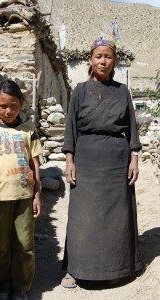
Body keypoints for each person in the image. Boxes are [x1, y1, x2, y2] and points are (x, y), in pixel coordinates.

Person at [61, 39, 144, 288]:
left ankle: (118, 267)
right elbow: (70, 129)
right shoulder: (79, 90)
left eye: (108, 56)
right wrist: (69, 160)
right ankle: (75, 269)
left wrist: (134, 159)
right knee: (82, 215)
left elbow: (132, 129)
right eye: (98, 56)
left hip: (117, 160)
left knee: (117, 216)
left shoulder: (122, 91)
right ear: (90, 59)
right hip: (86, 159)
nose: (102, 61)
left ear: (114, 61)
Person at [0, 79, 43, 300]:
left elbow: (35, 164)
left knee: (24, 245)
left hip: (24, 196)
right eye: (3, 105)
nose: (9, 110)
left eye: (13, 105)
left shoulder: (27, 132)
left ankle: (21, 286)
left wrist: (37, 195)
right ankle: (3, 284)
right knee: (0, 245)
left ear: (21, 103)